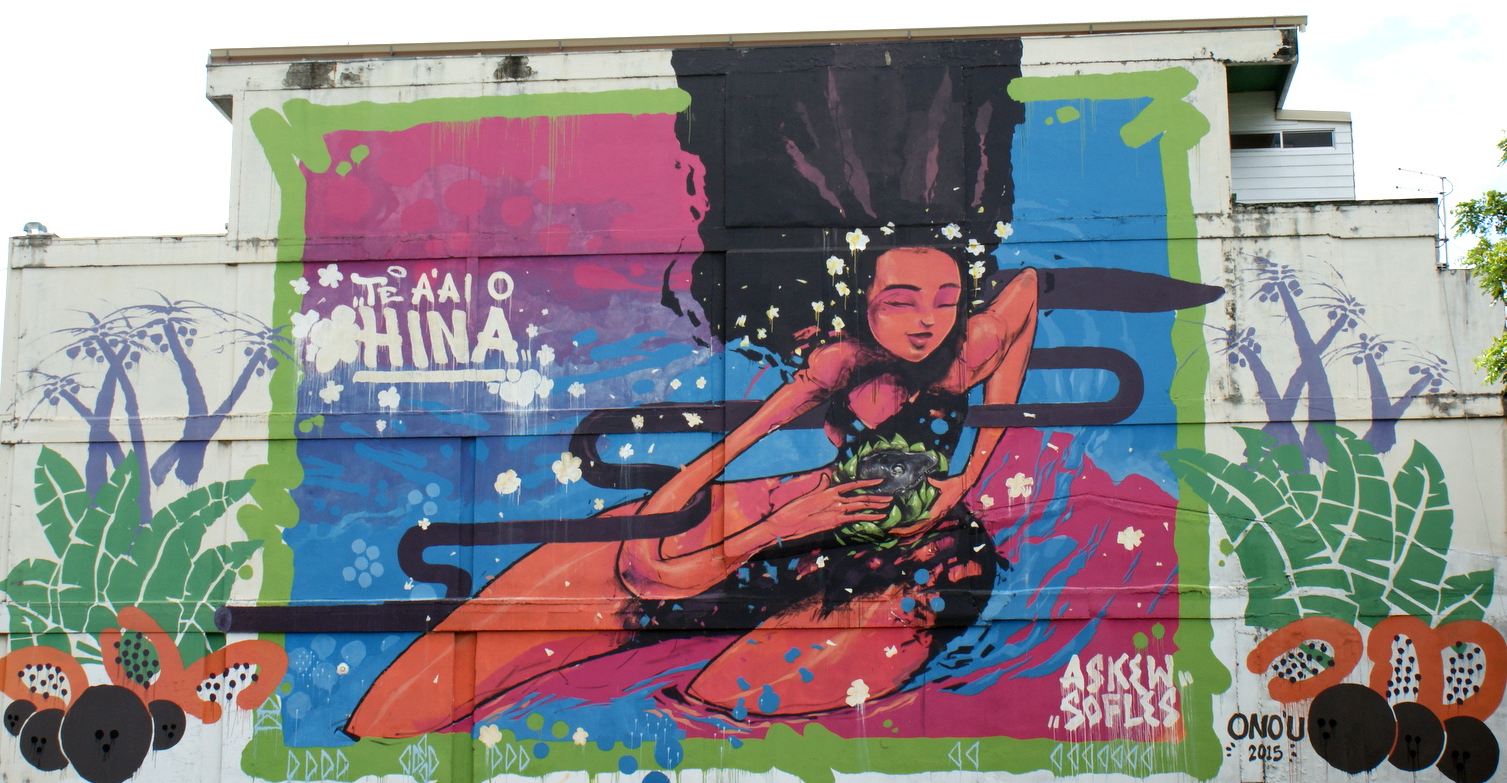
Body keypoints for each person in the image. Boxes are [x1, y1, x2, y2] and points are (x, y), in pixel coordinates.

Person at [347, 247, 1037, 739]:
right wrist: (782, 525)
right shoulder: (838, 367)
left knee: (714, 702)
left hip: (925, 556)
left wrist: (971, 474)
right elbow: (654, 558)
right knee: (430, 686)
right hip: (800, 524)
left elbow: (1026, 294)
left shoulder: (967, 350)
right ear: (863, 305)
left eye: (945, 300)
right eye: (899, 301)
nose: (926, 321)